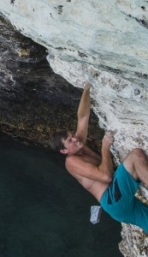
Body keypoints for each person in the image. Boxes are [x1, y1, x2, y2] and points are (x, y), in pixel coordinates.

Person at [50, 83, 148, 233]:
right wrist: (104, 147)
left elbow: (83, 117)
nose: (75, 139)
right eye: (70, 141)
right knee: (136, 155)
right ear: (64, 151)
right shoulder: (71, 161)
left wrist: (87, 88)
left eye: (72, 135)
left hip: (117, 203)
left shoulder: (78, 145)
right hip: (112, 199)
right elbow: (106, 176)